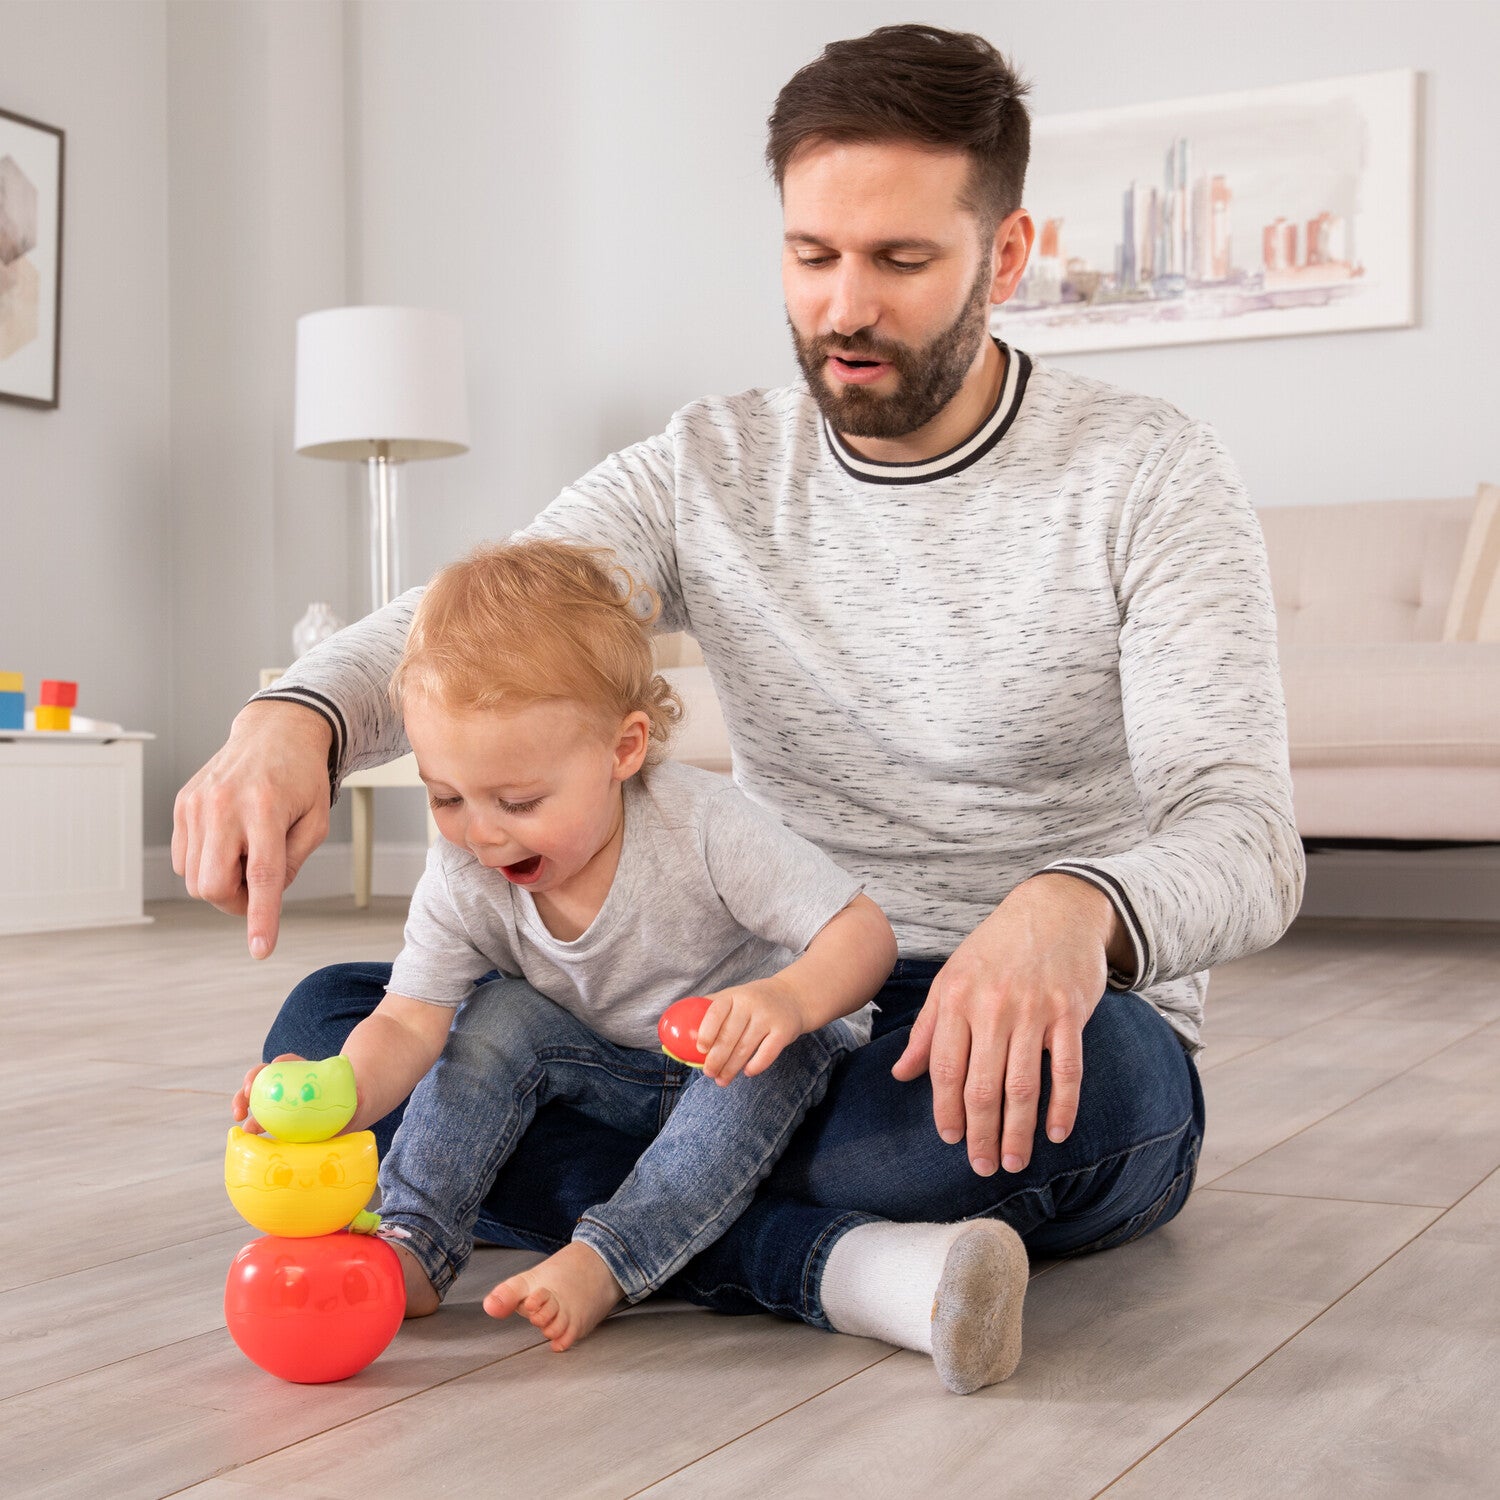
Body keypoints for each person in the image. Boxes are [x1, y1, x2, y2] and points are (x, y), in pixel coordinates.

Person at [177, 25, 1303, 1394]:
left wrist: (1077, 908)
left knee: (1035, 1103)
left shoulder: (1148, 473)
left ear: (1004, 258)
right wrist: (295, 714)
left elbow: (1246, 834)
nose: (843, 308)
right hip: (740, 1011)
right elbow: (486, 622)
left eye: (899, 262)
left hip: (988, 1035)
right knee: (330, 1029)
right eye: (812, 255)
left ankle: (625, 1210)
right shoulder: (709, 464)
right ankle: (846, 1267)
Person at [232, 537, 901, 1352]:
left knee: (778, 1057)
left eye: (518, 800)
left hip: (746, 1064)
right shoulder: (464, 871)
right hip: (607, 1070)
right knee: (491, 1014)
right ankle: (413, 1244)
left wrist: (786, 1002)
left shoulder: (702, 823)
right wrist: (329, 1096)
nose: (480, 834)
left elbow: (861, 934)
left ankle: (610, 1259)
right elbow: (408, 1026)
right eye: (445, 797)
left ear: (622, 750)